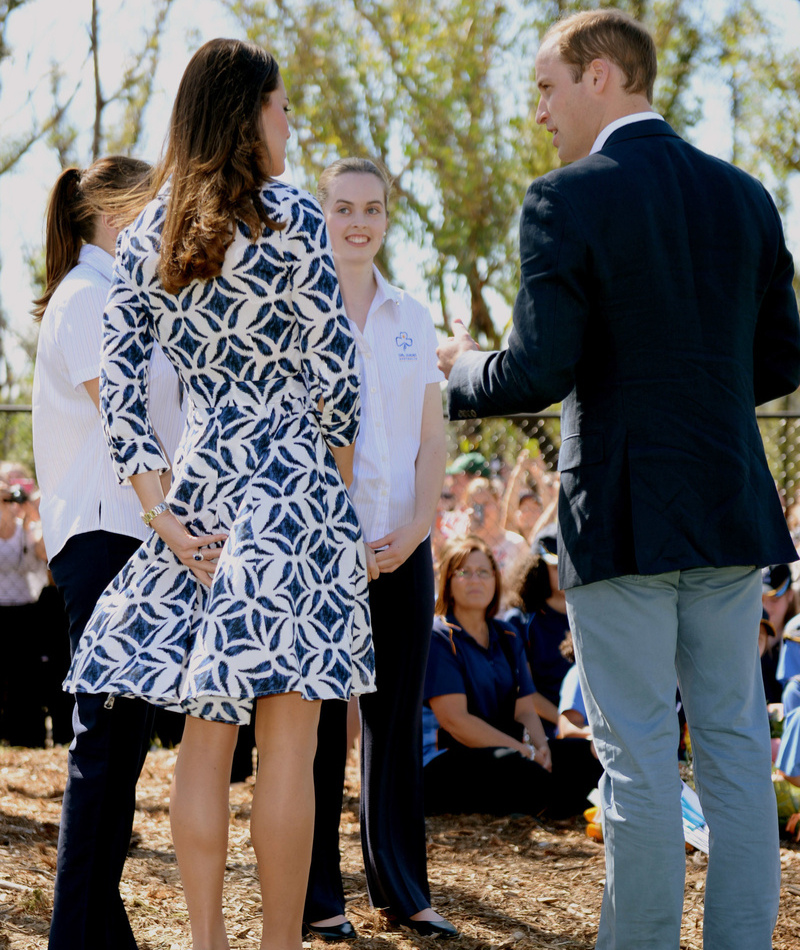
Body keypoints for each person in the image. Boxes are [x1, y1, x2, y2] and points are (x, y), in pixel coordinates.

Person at [437, 9, 800, 949]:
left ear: (603, 76)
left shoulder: (567, 198)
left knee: (636, 760)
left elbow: (534, 371)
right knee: (730, 750)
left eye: (549, 88)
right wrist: (698, 384)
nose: (541, 112)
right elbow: (780, 357)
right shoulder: (748, 197)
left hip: (626, 514)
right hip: (727, 509)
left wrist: (452, 371)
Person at [63, 40, 374, 950]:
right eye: (281, 107)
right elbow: (335, 375)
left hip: (198, 492)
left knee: (204, 738)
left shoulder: (153, 228)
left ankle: (206, 944)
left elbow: (122, 396)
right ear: (248, 113)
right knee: (289, 742)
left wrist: (161, 511)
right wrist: (337, 487)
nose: (291, 125)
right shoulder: (293, 219)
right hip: (293, 487)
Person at [31, 155, 185, 949]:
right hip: (111, 536)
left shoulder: (117, 297)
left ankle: (95, 932)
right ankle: (75, 936)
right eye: (156, 205)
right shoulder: (91, 298)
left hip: (132, 536)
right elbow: (126, 420)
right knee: (107, 746)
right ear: (120, 214)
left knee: (118, 749)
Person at [303, 157, 451, 941]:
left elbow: (432, 437)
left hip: (405, 544)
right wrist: (343, 539)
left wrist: (418, 528)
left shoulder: (412, 318)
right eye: (342, 208)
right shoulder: (299, 309)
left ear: (389, 218)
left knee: (395, 725)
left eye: (372, 209)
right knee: (323, 725)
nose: (358, 221)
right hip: (321, 552)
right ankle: (318, 896)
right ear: (321, 213)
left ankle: (403, 890)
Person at [422, 536, 601, 818]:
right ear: (448, 581)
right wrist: (522, 750)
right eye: (464, 572)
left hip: (511, 752)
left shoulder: (507, 635)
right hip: (449, 760)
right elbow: (455, 722)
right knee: (517, 770)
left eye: (484, 572)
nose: (475, 580)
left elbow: (525, 709)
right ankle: (554, 801)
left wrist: (541, 748)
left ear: (495, 580)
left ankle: (552, 800)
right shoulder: (439, 637)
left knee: (587, 755)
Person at [503, 525, 572, 737]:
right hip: (543, 732)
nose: (565, 572)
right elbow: (523, 692)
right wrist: (566, 723)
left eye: (571, 564)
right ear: (537, 569)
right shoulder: (520, 621)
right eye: (555, 566)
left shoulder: (593, 616)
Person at [0, 470, 49, 747]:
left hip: (25, 610)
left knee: (25, 678)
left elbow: (44, 553)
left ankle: (26, 737)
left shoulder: (28, 528)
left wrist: (33, 514)